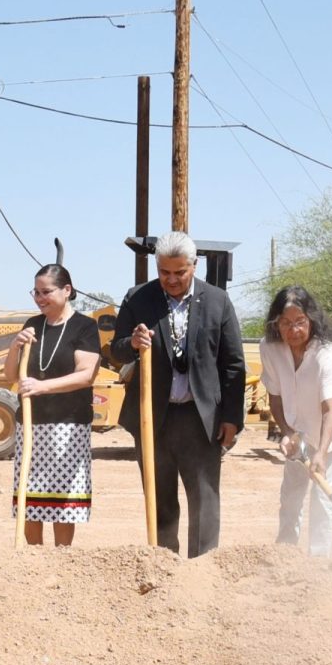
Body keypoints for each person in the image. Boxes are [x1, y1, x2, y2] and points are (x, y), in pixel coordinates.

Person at [107, 231, 248, 557]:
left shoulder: (217, 301)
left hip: (202, 420)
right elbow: (115, 351)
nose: (171, 279)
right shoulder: (138, 298)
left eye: (179, 272)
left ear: (193, 266)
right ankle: (164, 566)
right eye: (164, 272)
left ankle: (202, 570)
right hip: (153, 419)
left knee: (205, 500)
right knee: (160, 499)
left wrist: (231, 419)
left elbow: (233, 365)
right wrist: (132, 344)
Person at [1, 261, 102, 546]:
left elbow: (85, 375)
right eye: (35, 293)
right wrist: (14, 347)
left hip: (68, 425)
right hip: (32, 424)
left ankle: (61, 558)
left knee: (62, 498)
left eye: (46, 292)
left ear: (67, 290)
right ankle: (33, 557)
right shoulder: (33, 325)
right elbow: (11, 375)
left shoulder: (84, 326)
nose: (40, 298)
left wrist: (43, 387)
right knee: (30, 495)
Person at [259, 285, 332, 556]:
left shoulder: (326, 354)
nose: (293, 331)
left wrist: (322, 454)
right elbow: (275, 397)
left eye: (300, 322)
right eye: (286, 323)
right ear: (276, 324)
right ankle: (286, 553)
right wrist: (287, 432)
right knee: (291, 494)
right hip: (297, 428)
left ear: (311, 320)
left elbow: (330, 409)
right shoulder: (269, 348)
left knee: (323, 494)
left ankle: (318, 559)